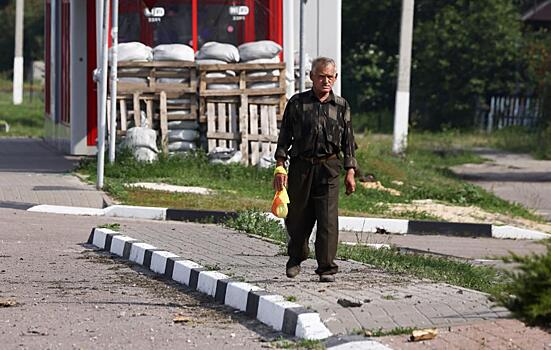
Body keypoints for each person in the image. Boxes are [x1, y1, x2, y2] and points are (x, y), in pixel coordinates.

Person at [273, 57, 357, 283]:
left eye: (330, 76)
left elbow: (348, 140)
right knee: (298, 217)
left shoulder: (341, 106)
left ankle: (326, 268)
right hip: (301, 168)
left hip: (329, 168)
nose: (326, 80)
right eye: (321, 76)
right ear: (311, 77)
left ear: (335, 78)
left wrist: (350, 170)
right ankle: (296, 256)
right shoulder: (297, 103)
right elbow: (284, 137)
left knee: (328, 221)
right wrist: (280, 165)